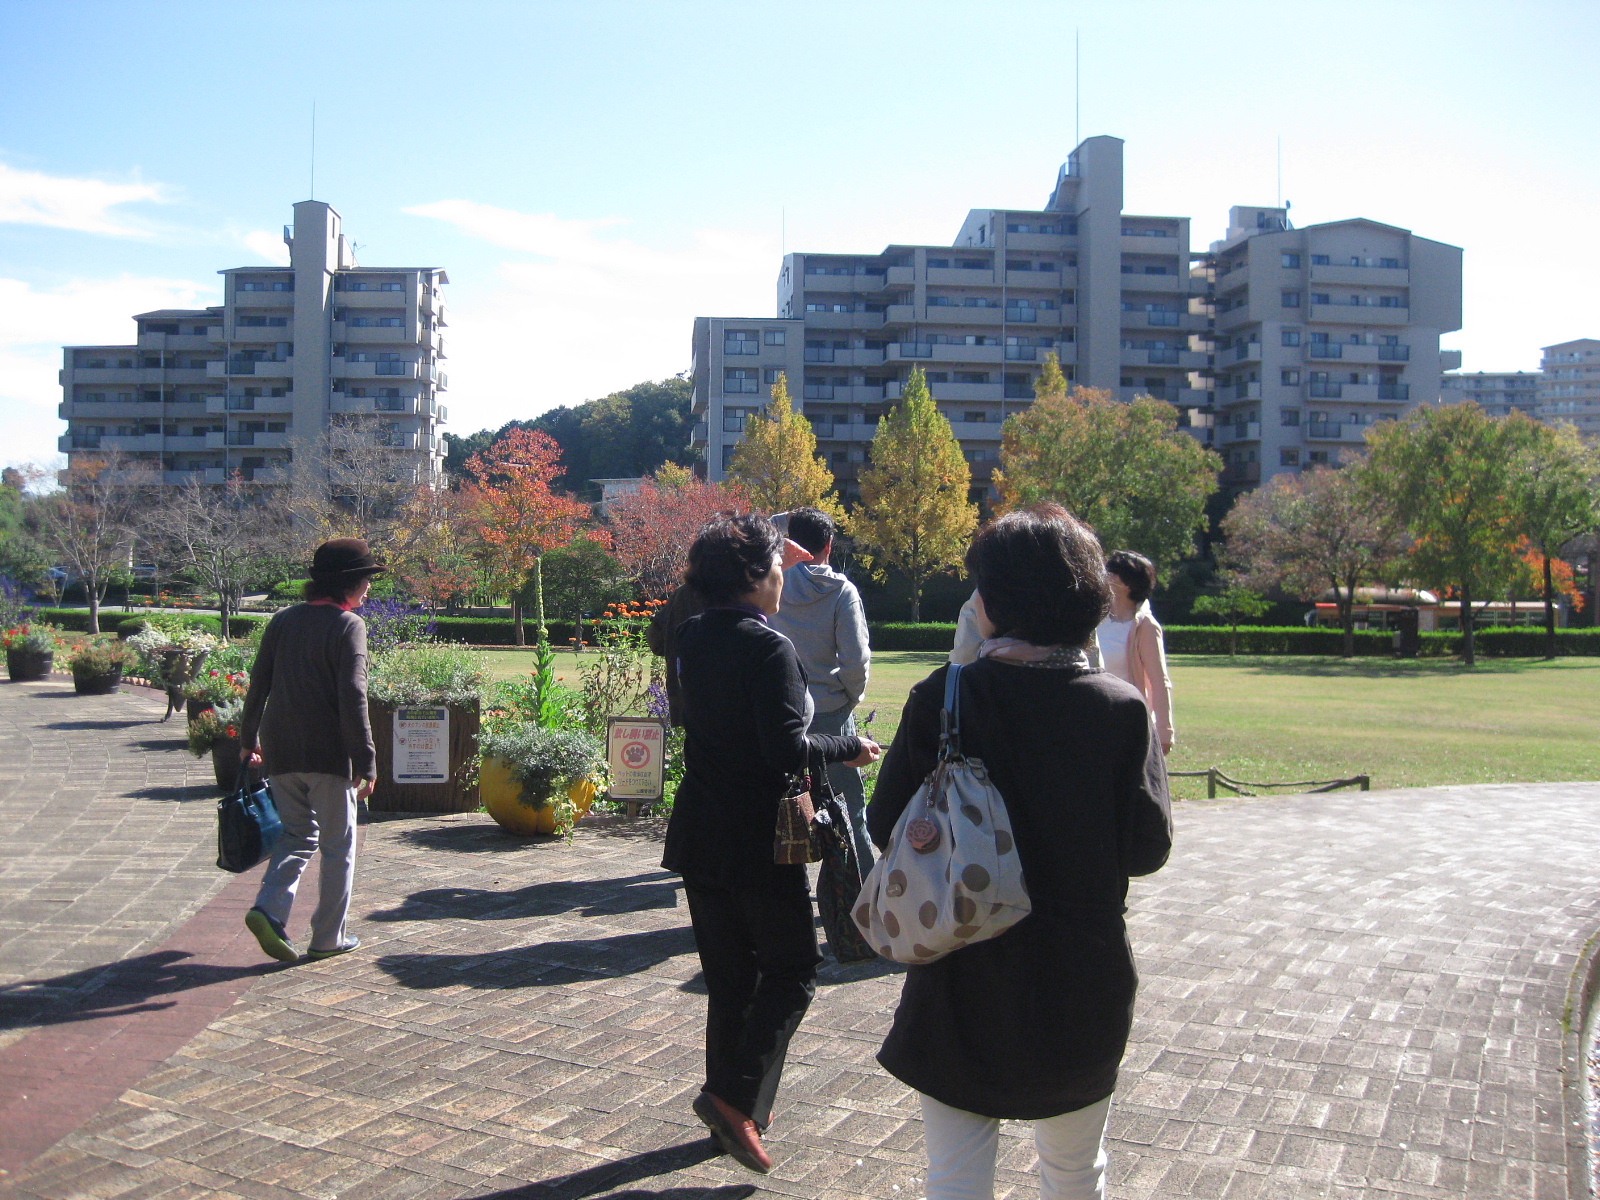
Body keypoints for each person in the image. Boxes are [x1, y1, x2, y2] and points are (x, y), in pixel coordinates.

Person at [868, 505, 1172, 1200]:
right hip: (1079, 981)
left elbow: (887, 821)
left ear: (990, 601)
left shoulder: (943, 699)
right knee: (1073, 1175)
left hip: (963, 973)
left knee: (954, 1178)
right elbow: (1148, 848)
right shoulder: (1120, 710)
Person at [663, 514, 881, 1174]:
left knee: (731, 981)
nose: (785, 576)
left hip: (700, 829)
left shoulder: (692, 636)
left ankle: (731, 1114)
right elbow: (785, 749)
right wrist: (850, 745)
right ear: (756, 577)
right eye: (778, 566)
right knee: (791, 969)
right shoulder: (769, 648)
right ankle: (734, 1100)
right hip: (762, 833)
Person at [237, 538, 384, 964]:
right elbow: (353, 698)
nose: (369, 589)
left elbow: (258, 684)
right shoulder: (348, 626)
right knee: (339, 846)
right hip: (329, 754)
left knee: (298, 835)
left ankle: (268, 909)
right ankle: (327, 938)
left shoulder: (283, 621)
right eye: (366, 580)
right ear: (349, 584)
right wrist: (367, 762)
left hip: (281, 750)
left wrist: (248, 740)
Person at [768, 507, 874, 870]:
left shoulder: (771, 583)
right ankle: (860, 896)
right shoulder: (842, 591)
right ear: (829, 545)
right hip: (830, 713)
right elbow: (856, 660)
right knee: (849, 813)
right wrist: (849, 697)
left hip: (780, 713)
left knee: (775, 810)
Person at [1097, 551, 1174, 755]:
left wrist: (1165, 732)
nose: (1104, 575)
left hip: (1126, 722)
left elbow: (1159, 681)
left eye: (1112, 572)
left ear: (1128, 583)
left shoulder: (1145, 626)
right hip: (1094, 718)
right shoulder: (1096, 619)